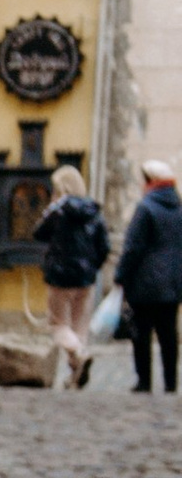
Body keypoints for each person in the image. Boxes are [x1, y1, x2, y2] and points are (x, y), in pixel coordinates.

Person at [37, 163, 110, 383]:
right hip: (86, 279)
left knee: (58, 325)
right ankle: (75, 375)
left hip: (60, 277)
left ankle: (80, 354)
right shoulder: (94, 212)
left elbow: (38, 233)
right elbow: (104, 247)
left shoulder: (58, 212)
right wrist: (92, 267)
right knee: (79, 328)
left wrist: (49, 211)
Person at [117, 158, 182, 393]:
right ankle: (171, 383)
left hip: (144, 283)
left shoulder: (145, 208)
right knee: (169, 335)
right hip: (172, 283)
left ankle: (144, 381)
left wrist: (121, 274)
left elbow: (133, 247)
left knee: (141, 334)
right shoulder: (178, 208)